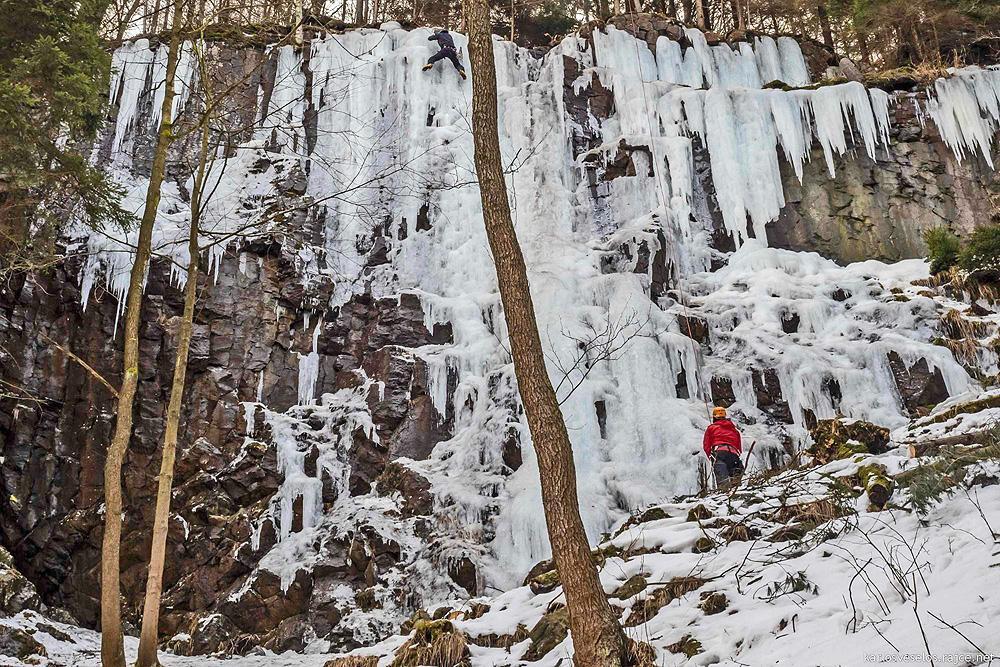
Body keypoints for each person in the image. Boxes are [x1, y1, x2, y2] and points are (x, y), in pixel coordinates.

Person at [703, 406, 744, 487]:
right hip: (734, 455)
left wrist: (710, 456)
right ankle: (736, 494)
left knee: (723, 481)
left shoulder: (711, 428)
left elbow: (706, 445)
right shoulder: (734, 430)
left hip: (720, 453)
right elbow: (739, 447)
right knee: (735, 481)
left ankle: (724, 493)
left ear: (714, 417)